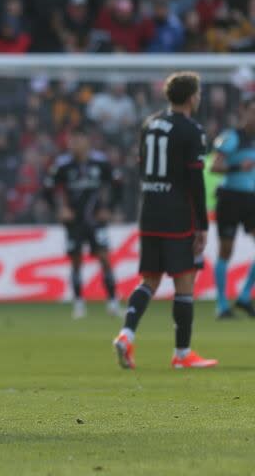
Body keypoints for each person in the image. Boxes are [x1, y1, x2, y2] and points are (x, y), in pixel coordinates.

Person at [113, 71, 217, 370]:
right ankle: (182, 354)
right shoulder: (191, 130)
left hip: (150, 210)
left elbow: (141, 165)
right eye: (197, 93)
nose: (199, 98)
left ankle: (126, 334)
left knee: (149, 280)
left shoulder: (150, 123)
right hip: (177, 213)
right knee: (185, 282)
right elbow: (196, 181)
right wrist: (202, 224)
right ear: (191, 96)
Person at [43, 131, 123, 319]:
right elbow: (47, 189)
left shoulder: (100, 162)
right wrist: (59, 209)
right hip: (74, 221)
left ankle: (112, 303)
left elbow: (118, 185)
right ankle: (78, 304)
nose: (74, 145)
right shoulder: (62, 165)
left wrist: (109, 208)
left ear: (87, 142)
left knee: (104, 258)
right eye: (72, 141)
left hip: (96, 219)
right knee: (76, 261)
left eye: (78, 141)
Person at [209, 97, 255, 319]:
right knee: (226, 250)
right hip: (230, 198)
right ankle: (221, 304)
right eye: (253, 111)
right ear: (244, 112)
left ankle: (245, 296)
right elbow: (215, 166)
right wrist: (238, 166)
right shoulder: (232, 137)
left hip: (252, 198)